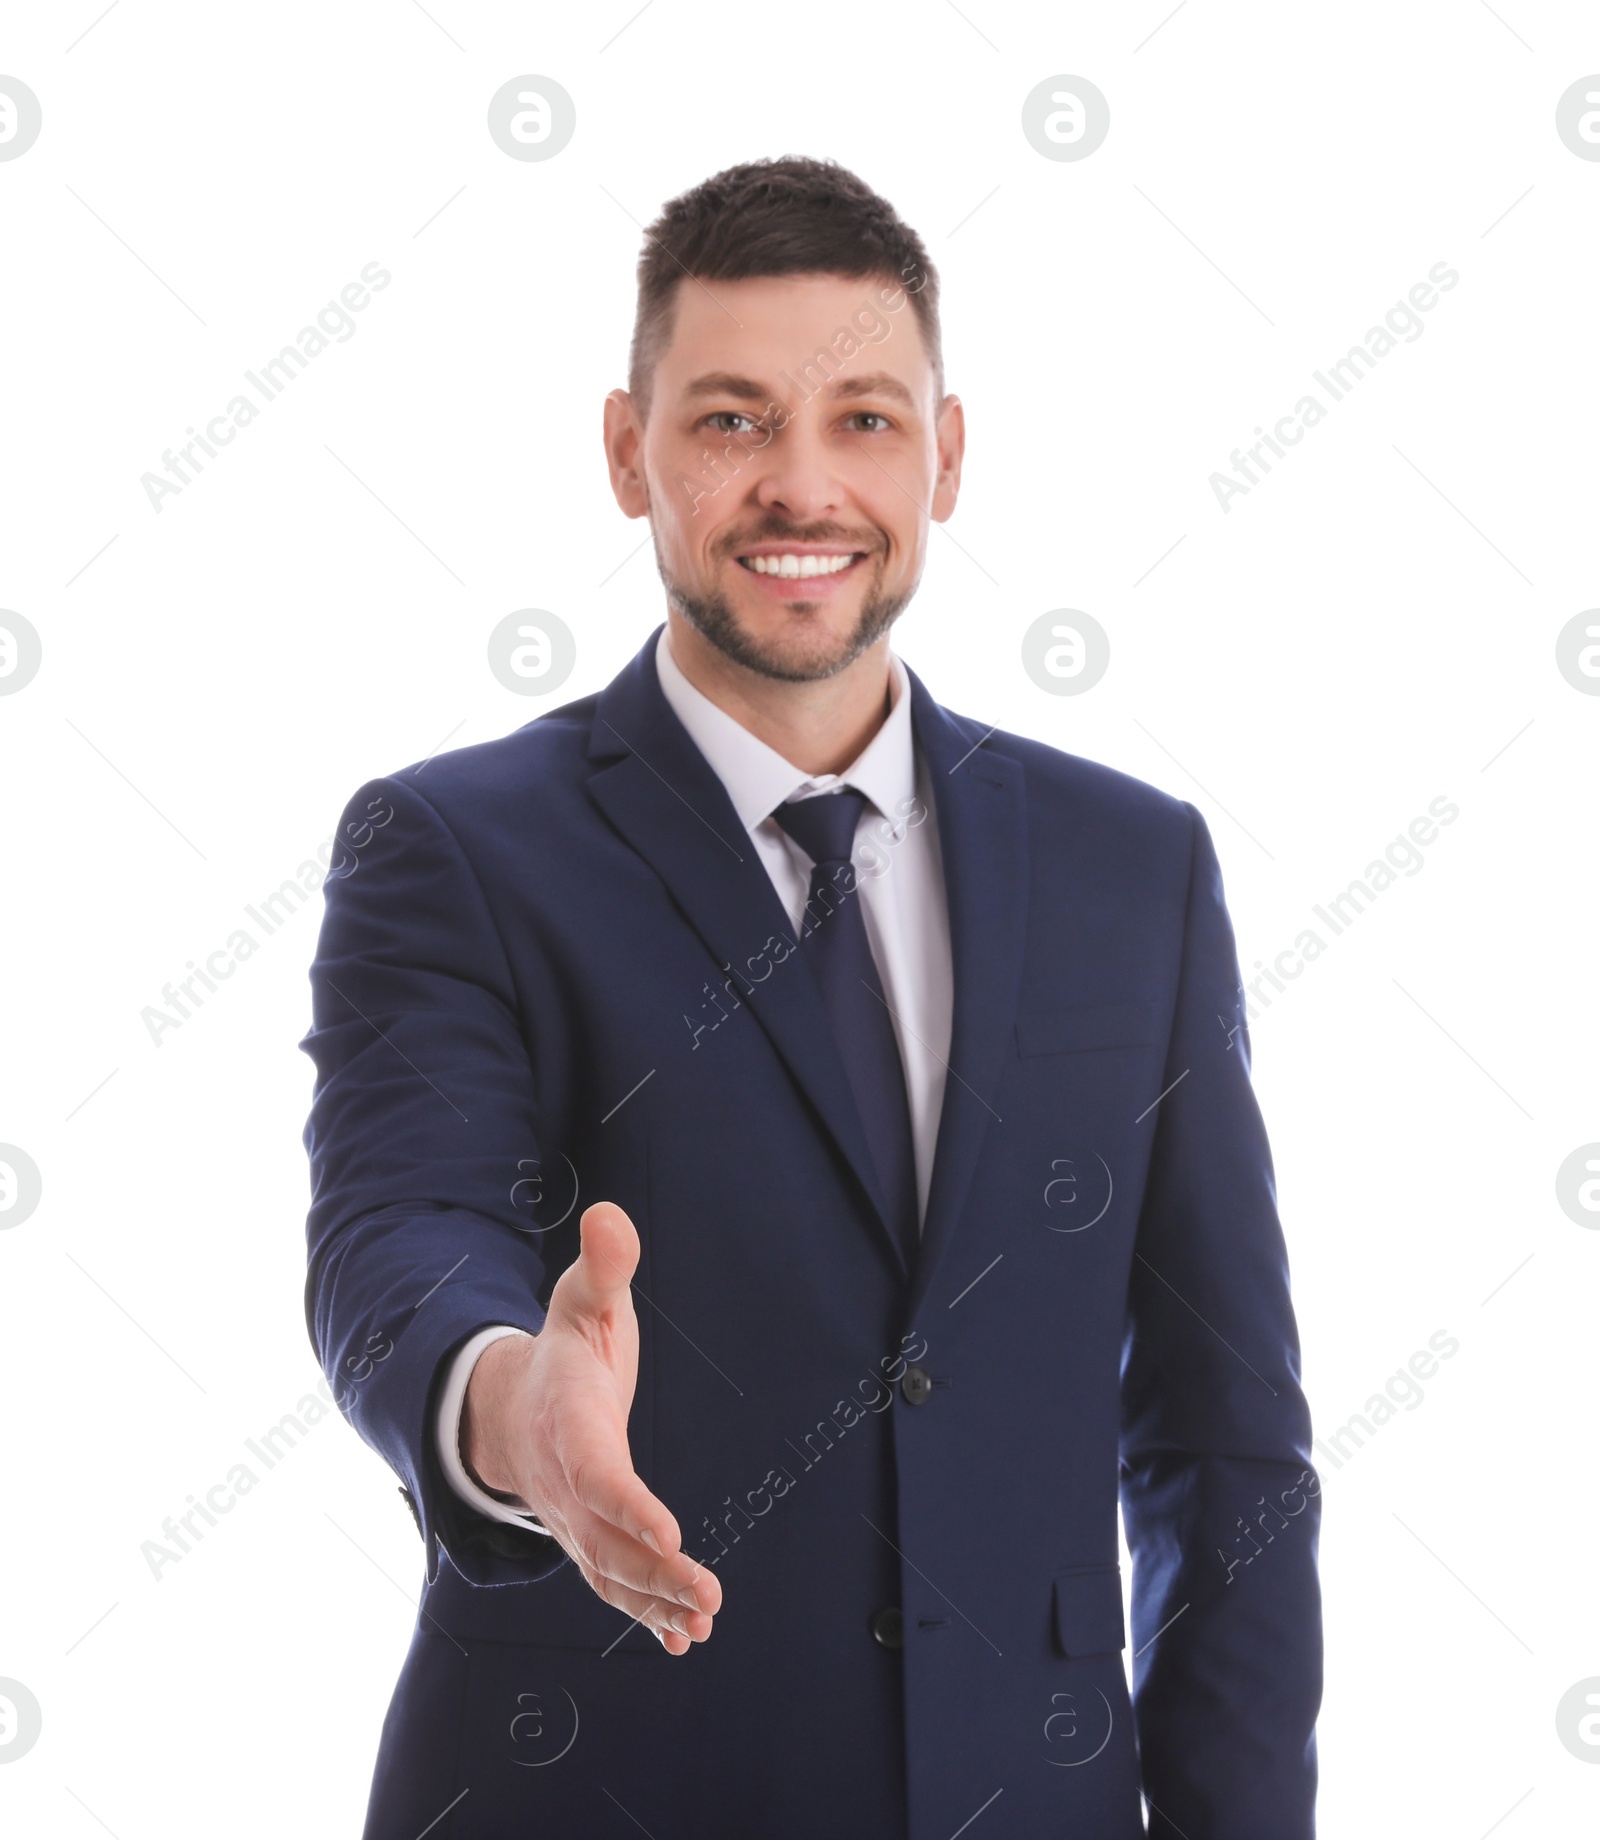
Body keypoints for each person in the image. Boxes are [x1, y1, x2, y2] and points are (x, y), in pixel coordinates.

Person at [300, 155, 1321, 1840]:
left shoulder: (1132, 865)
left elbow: (1228, 1449)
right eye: (728, 420)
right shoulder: (456, 847)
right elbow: (397, 1231)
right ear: (628, 453)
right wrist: (508, 1412)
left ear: (946, 454)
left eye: (862, 419)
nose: (801, 487)